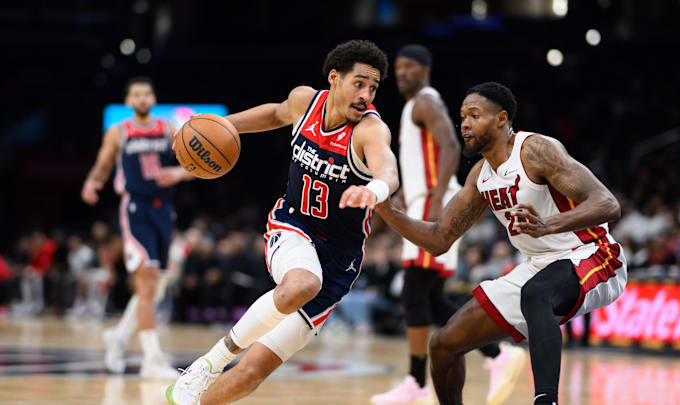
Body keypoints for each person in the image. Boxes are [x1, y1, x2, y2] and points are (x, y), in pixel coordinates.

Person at [166, 39, 399, 405]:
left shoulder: (370, 130)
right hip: (292, 226)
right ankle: (209, 363)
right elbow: (275, 114)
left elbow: (388, 167)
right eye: (359, 83)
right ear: (335, 78)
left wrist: (377, 189)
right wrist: (222, 125)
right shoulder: (305, 101)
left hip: (339, 262)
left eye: (373, 87)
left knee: (250, 374)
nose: (366, 95)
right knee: (301, 283)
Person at [375, 82, 627, 405]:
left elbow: (608, 204)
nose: (464, 124)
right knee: (443, 345)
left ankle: (546, 400)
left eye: (474, 115)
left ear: (501, 119)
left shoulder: (535, 151)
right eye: (462, 116)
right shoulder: (480, 176)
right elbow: (439, 239)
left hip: (594, 254)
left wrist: (547, 224)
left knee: (535, 293)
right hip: (538, 267)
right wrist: (387, 209)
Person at [372, 46, 525, 405]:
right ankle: (497, 355)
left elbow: (451, 146)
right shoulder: (416, 106)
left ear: (426, 69)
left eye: (411, 66)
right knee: (431, 297)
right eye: (400, 67)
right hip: (425, 196)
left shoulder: (426, 102)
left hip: (433, 200)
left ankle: (416, 382)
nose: (403, 72)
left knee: (413, 292)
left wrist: (437, 198)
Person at [81, 77, 194, 378]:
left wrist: (179, 173)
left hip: (165, 211)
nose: (142, 98)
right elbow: (104, 163)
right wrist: (94, 181)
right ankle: (151, 360)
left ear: (153, 98)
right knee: (147, 281)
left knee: (155, 289)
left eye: (147, 92)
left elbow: (196, 164)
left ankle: (118, 337)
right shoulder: (119, 131)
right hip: (136, 210)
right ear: (129, 101)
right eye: (136, 94)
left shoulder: (169, 129)